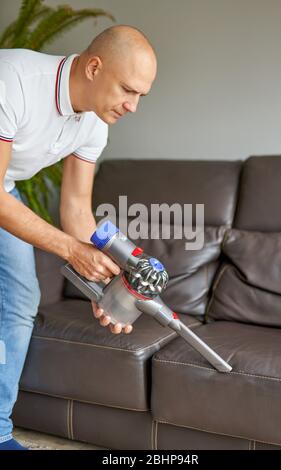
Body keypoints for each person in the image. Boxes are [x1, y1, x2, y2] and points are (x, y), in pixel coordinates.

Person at [0, 24, 157, 450]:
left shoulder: (93, 124)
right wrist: (72, 250)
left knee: (18, 298)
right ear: (93, 67)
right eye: (128, 89)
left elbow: (76, 210)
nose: (133, 105)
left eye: (141, 94)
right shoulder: (13, 80)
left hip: (3, 188)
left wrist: (105, 282)